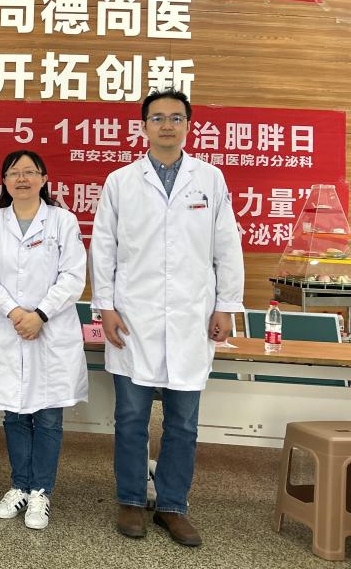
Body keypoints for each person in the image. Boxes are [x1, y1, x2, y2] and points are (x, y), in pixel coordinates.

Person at [90, 88, 244, 547]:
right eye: (157, 118)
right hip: (132, 317)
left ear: (188, 126)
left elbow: (226, 245)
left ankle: (174, 505)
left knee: (183, 422)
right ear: (143, 127)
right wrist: (105, 306)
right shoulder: (121, 181)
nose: (167, 125)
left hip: (191, 317)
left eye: (176, 118)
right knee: (130, 417)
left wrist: (226, 305)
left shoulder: (210, 179)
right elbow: (104, 247)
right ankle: (130, 499)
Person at [0, 150, 87, 530]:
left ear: (44, 178)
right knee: (15, 413)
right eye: (13, 173)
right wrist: (14, 312)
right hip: (9, 327)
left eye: (29, 172)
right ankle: (19, 486)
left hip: (50, 329)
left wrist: (39, 315)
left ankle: (41, 492)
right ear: (4, 181)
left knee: (49, 416)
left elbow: (73, 276)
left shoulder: (62, 221)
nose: (21, 179)